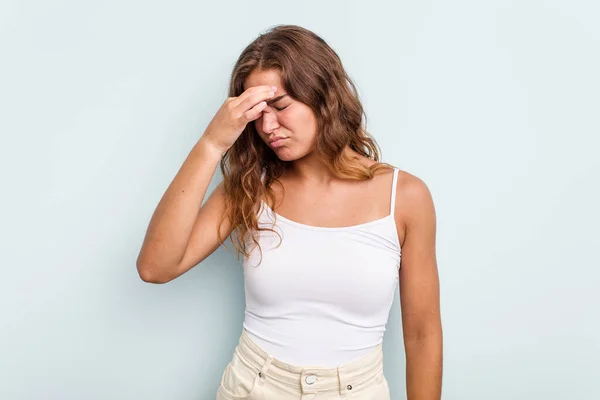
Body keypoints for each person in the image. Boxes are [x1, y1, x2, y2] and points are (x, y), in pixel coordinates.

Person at [136, 24, 442, 400]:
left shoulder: (405, 196)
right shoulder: (250, 187)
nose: (267, 126)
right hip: (253, 387)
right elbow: (155, 267)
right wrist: (212, 143)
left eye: (280, 106)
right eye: (256, 114)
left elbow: (423, 333)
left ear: (322, 96)